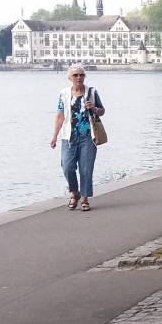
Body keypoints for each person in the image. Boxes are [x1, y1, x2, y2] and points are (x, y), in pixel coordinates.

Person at [50, 63, 105, 212]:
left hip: (88, 137)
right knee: (67, 166)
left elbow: (102, 111)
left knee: (86, 169)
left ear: (85, 76)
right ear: (70, 77)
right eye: (75, 75)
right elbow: (60, 116)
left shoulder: (92, 92)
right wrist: (54, 136)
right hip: (68, 137)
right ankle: (74, 192)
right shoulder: (64, 94)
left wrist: (94, 108)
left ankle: (84, 198)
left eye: (81, 75)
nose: (79, 77)